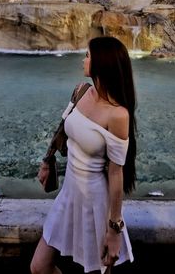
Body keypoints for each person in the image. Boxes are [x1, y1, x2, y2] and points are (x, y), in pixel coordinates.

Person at [31, 36, 136, 274]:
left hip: (95, 201)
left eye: (87, 55)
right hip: (68, 193)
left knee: (98, 269)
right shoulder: (81, 91)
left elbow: (116, 172)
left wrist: (114, 227)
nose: (83, 59)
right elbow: (62, 129)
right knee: (39, 267)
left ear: (101, 63)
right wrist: (48, 160)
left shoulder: (118, 115)